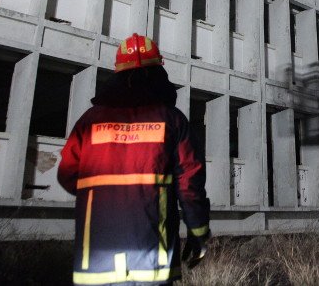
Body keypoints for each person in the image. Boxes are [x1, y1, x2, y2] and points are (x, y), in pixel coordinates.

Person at [58, 33, 210, 285]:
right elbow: (190, 184)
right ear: (159, 74)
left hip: (95, 259)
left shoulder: (89, 121)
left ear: (117, 73)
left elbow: (67, 174)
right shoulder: (172, 120)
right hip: (153, 258)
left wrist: (106, 195)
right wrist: (198, 233)